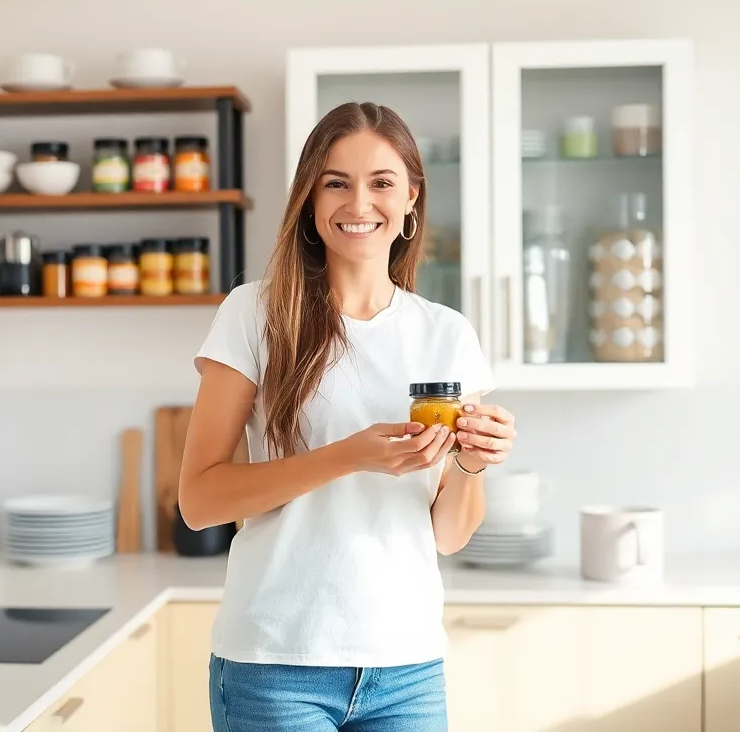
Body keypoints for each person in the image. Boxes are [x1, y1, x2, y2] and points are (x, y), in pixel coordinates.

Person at [178, 101, 519, 731]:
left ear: (411, 198)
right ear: (310, 197)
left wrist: (471, 462)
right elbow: (199, 500)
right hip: (275, 663)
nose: (359, 204)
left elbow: (448, 534)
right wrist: (348, 456)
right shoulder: (254, 314)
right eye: (336, 182)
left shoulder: (447, 334)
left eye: (381, 183)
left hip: (407, 667)